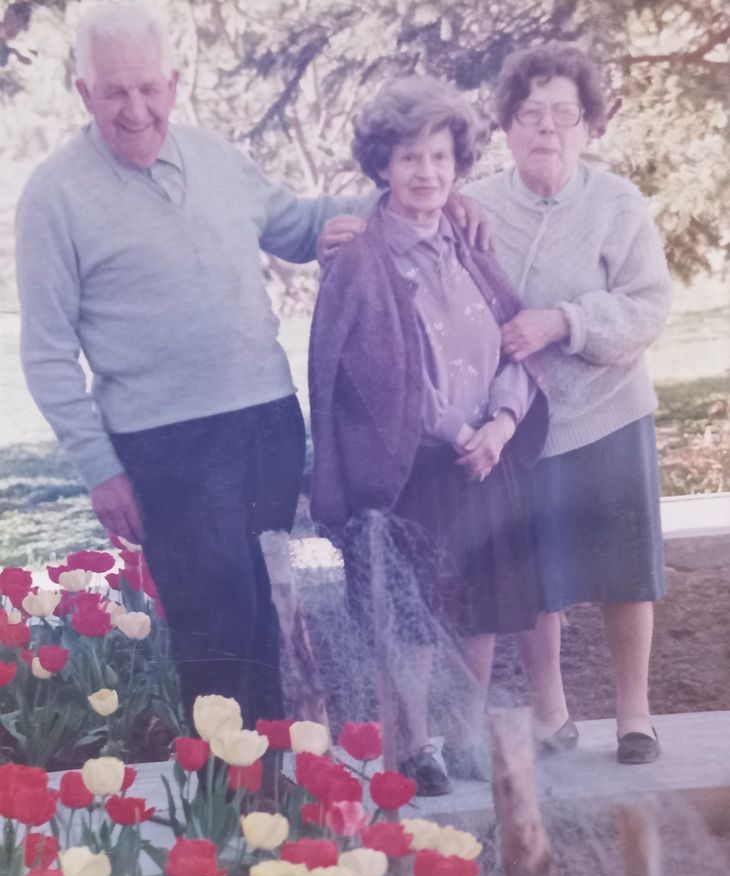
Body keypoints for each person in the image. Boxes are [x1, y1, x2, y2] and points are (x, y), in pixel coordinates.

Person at [15, 1, 487, 729]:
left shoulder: (217, 158)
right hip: (164, 443)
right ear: (83, 93)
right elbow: (45, 353)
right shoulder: (53, 196)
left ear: (172, 83)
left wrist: (421, 192)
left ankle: (289, 782)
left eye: (148, 88)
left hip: (264, 421)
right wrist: (100, 467)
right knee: (215, 619)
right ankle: (236, 801)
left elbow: (300, 225)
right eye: (115, 92)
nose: (136, 108)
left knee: (277, 608)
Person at [309, 76, 548, 795]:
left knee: (482, 608)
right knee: (413, 622)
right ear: (382, 165)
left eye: (441, 158)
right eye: (410, 158)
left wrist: (501, 425)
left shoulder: (471, 241)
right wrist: (454, 430)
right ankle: (417, 745)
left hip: (485, 461)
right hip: (409, 468)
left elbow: (518, 345)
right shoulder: (358, 259)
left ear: (458, 164)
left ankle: (465, 732)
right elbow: (343, 381)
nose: (428, 174)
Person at [466, 42, 671, 763]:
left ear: (589, 126)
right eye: (529, 114)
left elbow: (649, 306)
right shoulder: (477, 206)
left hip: (612, 408)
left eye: (563, 114)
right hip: (524, 421)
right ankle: (551, 712)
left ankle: (633, 715)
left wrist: (565, 322)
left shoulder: (616, 202)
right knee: (539, 575)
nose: (546, 129)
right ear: (508, 126)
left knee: (625, 567)